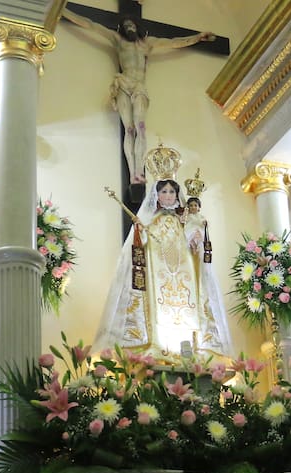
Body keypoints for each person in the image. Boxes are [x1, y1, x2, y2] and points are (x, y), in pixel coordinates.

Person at [61, 10, 215, 183]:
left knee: (140, 127)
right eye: (126, 26)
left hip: (139, 86)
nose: (129, 28)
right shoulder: (117, 40)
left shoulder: (147, 43)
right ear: (122, 29)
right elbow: (90, 25)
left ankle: (139, 170)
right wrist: (62, 10)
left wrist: (197, 37)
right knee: (129, 129)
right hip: (124, 83)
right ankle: (133, 173)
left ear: (137, 27)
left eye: (132, 25)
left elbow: (173, 42)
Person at [95, 178, 233, 360]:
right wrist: (140, 230)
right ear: (157, 195)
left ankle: (191, 347)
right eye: (164, 192)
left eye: (172, 192)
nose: (168, 196)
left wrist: (196, 238)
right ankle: (157, 343)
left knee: (187, 303)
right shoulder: (152, 219)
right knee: (157, 301)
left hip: (183, 270)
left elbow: (195, 242)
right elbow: (141, 242)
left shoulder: (183, 219)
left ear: (177, 195)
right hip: (157, 267)